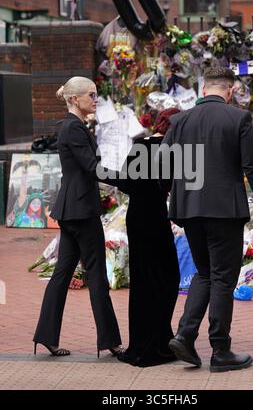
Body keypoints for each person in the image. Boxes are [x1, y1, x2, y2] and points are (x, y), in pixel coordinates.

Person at [160, 67, 253, 372]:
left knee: (205, 273)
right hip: (224, 209)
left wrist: (172, 194)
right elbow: (252, 166)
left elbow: (161, 163)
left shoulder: (180, 120)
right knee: (223, 277)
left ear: (203, 89)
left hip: (189, 209)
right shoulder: (237, 118)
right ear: (230, 89)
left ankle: (185, 335)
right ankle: (220, 350)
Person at [33, 76, 122, 357]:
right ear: (75, 99)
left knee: (62, 273)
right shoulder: (73, 128)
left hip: (73, 208)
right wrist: (129, 178)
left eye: (96, 95)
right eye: (91, 95)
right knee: (96, 275)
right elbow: (91, 167)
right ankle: (109, 341)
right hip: (81, 210)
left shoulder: (74, 126)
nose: (95, 100)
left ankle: (46, 336)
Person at [113, 108, 181, 367]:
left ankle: (142, 342)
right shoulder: (171, 150)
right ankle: (159, 340)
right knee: (168, 276)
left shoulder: (139, 146)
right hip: (156, 217)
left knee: (143, 278)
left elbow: (125, 184)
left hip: (136, 216)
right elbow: (173, 184)